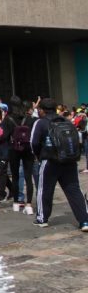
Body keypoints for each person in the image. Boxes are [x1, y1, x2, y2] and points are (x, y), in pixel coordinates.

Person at [30, 98, 88, 231]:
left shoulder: (40, 123)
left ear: (41, 110)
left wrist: (39, 156)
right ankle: (84, 220)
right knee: (74, 190)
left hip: (49, 161)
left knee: (44, 190)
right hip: (69, 160)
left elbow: (34, 143)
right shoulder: (66, 121)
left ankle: (42, 218)